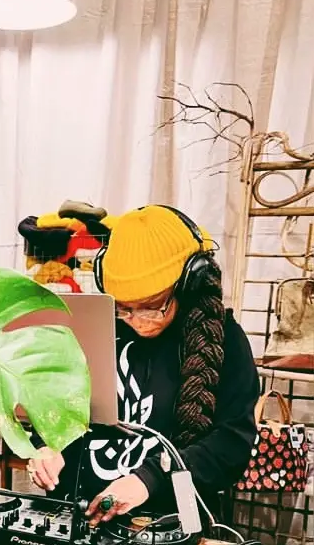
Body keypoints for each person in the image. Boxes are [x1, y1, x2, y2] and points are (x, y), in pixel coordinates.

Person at [27, 205, 260, 528]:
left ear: (187, 283)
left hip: (167, 526)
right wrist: (45, 447)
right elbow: (56, 407)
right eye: (124, 308)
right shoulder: (94, 325)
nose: (136, 321)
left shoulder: (225, 340)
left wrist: (148, 480)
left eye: (152, 307)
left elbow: (231, 444)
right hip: (78, 520)